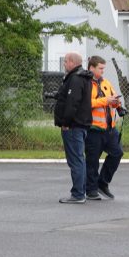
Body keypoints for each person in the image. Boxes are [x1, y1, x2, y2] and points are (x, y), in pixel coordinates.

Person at [53, 51, 93, 204]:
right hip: (80, 124)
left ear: (72, 62)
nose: (64, 64)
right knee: (79, 159)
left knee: (75, 160)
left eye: (65, 62)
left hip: (73, 126)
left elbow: (72, 103)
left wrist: (66, 123)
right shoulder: (84, 78)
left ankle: (77, 194)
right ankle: (81, 191)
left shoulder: (76, 79)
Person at [84, 55, 124, 201]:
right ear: (92, 68)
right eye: (100, 68)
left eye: (103, 68)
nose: (102, 71)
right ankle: (91, 189)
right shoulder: (85, 83)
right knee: (92, 161)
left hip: (109, 129)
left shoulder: (106, 83)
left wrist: (116, 104)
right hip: (93, 129)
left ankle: (103, 182)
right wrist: (105, 101)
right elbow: (86, 103)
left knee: (117, 153)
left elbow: (113, 98)